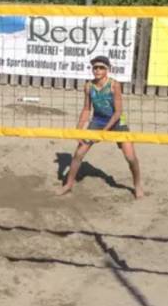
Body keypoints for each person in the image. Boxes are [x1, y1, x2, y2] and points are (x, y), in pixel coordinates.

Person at [58, 56, 143, 199]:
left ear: (107, 70)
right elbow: (86, 109)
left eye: (101, 67)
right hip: (98, 120)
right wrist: (78, 129)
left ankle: (138, 185)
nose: (97, 70)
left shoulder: (114, 85)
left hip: (117, 122)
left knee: (130, 157)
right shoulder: (88, 86)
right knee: (79, 153)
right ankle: (68, 185)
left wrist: (104, 132)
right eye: (95, 67)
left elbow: (118, 112)